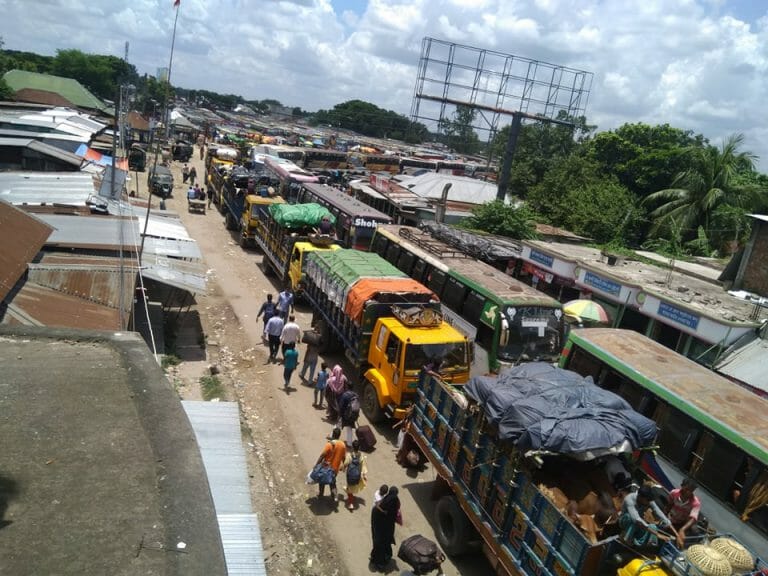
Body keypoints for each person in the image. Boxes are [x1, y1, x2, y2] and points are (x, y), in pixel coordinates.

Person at [619, 485, 677, 550]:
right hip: (625, 522)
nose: (649, 502)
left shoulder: (647, 500)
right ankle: (626, 539)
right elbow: (637, 520)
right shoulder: (629, 499)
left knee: (653, 526)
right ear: (640, 497)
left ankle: (646, 546)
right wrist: (658, 535)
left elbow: (658, 511)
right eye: (647, 500)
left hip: (638, 523)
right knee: (632, 519)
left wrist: (676, 533)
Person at [370, 485, 401, 570]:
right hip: (386, 533)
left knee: (377, 545)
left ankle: (374, 559)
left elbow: (374, 519)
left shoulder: (382, 503)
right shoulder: (393, 505)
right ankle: (380, 563)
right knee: (383, 547)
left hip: (377, 532)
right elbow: (394, 517)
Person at [666, 478, 702, 548]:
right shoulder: (674, 493)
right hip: (671, 519)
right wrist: (666, 517)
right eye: (687, 489)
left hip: (682, 523)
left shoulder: (696, 503)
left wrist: (682, 529)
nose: (688, 492)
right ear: (682, 486)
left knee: (695, 532)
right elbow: (669, 505)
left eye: (691, 490)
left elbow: (693, 518)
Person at [315, 427, 346, 500]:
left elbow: (322, 455)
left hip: (326, 467)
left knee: (321, 481)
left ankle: (321, 494)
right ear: (339, 435)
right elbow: (344, 457)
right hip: (335, 469)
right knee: (332, 482)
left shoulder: (329, 444)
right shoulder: (343, 445)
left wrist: (316, 464)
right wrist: (344, 466)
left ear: (333, 434)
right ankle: (334, 495)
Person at [341, 440, 367, 510]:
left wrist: (343, 469)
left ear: (352, 447)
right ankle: (351, 494)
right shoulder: (361, 455)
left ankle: (351, 503)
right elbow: (363, 466)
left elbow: (346, 463)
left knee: (349, 490)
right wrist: (364, 475)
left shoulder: (349, 455)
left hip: (350, 475)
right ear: (359, 447)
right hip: (357, 475)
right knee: (353, 487)